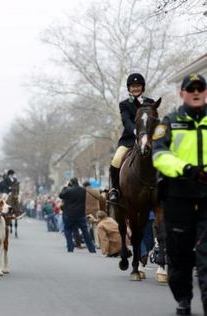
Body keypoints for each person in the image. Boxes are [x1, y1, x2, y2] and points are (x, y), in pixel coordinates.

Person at [152, 73, 207, 315]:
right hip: (178, 195)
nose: (196, 92)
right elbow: (159, 154)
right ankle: (183, 297)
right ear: (182, 93)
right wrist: (184, 169)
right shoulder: (169, 122)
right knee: (179, 253)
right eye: (191, 89)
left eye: (200, 88)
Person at [108, 73, 155, 203]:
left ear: (142, 87)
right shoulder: (124, 104)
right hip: (129, 139)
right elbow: (126, 120)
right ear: (129, 88)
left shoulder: (150, 102)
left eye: (138, 86)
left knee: (161, 155)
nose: (135, 89)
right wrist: (136, 131)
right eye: (133, 86)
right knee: (116, 159)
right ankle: (115, 190)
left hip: (149, 138)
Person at [58, 177, 96, 253]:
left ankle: (70, 248)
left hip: (69, 214)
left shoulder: (68, 190)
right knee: (85, 231)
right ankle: (91, 249)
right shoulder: (83, 190)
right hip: (80, 214)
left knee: (68, 230)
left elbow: (60, 195)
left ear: (71, 183)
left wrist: (65, 187)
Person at [83, 181, 101, 247]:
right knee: (95, 227)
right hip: (95, 211)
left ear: (84, 186)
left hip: (86, 211)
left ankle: (88, 242)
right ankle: (97, 243)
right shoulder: (96, 191)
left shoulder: (83, 192)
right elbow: (100, 197)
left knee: (87, 227)